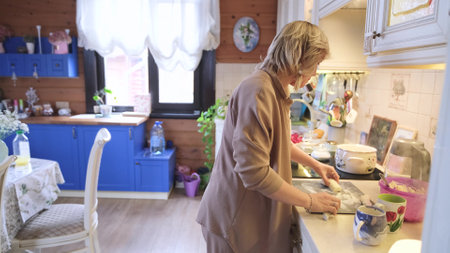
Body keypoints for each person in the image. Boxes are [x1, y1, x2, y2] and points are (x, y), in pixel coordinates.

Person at [196, 21, 341, 253]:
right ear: (300, 59)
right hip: (232, 219)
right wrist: (310, 201)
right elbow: (254, 172)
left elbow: (279, 143)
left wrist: (316, 165)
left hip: (241, 214)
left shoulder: (275, 88)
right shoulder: (259, 91)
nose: (316, 72)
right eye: (317, 63)